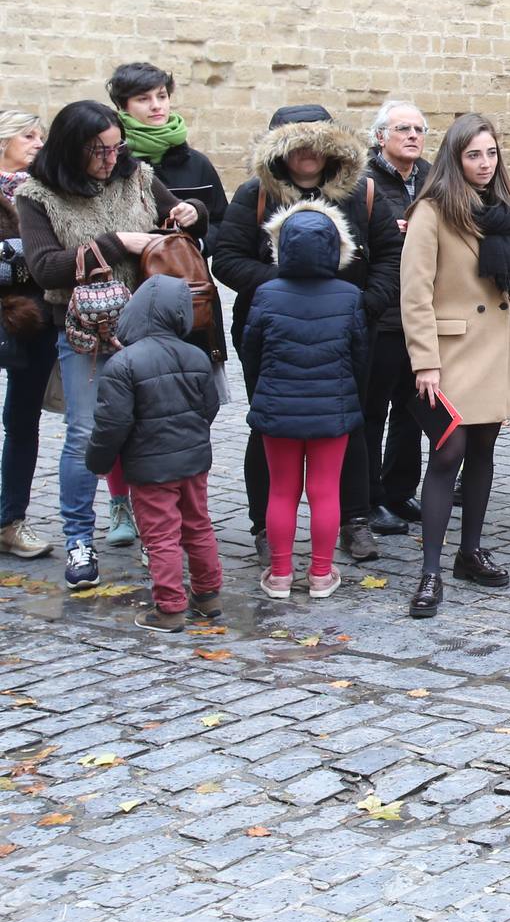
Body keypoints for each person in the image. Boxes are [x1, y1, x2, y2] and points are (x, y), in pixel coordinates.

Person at [15, 101, 205, 589]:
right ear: (69, 147)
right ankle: (80, 538)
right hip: (85, 331)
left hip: (152, 327)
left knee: (149, 430)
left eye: (116, 146)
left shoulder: (137, 174)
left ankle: (154, 534)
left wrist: (192, 211)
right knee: (84, 432)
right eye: (98, 150)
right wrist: (118, 240)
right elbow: (45, 268)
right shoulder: (38, 194)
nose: (109, 158)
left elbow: (181, 224)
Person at [212, 104, 400, 567]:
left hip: (346, 332)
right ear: (280, 149)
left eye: (316, 143)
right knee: (269, 425)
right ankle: (265, 526)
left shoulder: (363, 192)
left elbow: (392, 256)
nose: (307, 153)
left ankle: (353, 520)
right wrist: (285, 292)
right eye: (296, 144)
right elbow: (228, 259)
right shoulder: (255, 194)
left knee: (348, 423)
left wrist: (361, 304)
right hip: (275, 332)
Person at [398, 114, 510, 619]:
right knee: (447, 452)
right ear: (455, 159)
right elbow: (414, 294)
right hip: (450, 352)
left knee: (483, 449)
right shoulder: (431, 212)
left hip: (497, 346)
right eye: (473, 155)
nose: (485, 164)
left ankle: (469, 552)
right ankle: (430, 570)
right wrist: (425, 363)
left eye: (491, 153)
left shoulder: (507, 208)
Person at [243, 200, 370, 601]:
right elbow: (360, 354)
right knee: (325, 491)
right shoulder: (349, 295)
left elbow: (251, 351)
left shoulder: (265, 293)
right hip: (332, 409)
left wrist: (265, 390)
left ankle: (280, 574)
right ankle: (320, 574)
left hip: (278, 407)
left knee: (280, 491)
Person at [83, 276, 222, 632]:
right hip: (193, 462)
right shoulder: (196, 355)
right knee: (199, 526)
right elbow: (209, 408)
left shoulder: (124, 364)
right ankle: (207, 596)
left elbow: (112, 424)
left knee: (161, 537)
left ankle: (170, 607)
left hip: (149, 469)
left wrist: (97, 462)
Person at [362, 101, 431, 537]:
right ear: (380, 137)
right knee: (371, 411)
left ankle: (400, 489)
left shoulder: (433, 179)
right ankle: (368, 499)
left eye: (419, 129)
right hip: (383, 315)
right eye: (402, 128)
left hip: (422, 314)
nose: (412, 135)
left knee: (414, 410)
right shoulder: (363, 183)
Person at [0, 111, 57, 560]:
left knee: (22, 422)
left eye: (42, 136)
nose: (38, 143)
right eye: (28, 135)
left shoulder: (44, 193)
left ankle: (10, 520)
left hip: (33, 319)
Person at [107, 62, 228, 231]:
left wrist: (197, 244)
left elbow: (221, 222)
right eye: (143, 99)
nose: (156, 105)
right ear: (122, 106)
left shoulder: (198, 163)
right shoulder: (111, 162)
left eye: (162, 96)